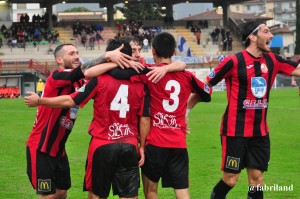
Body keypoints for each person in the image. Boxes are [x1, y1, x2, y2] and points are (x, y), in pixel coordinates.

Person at [25, 39, 150, 199]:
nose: (77, 56)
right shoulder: (57, 75)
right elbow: (85, 73)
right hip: (41, 147)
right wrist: (110, 57)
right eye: (72, 54)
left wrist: (118, 63)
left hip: (59, 149)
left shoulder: (82, 80)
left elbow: (89, 73)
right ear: (59, 60)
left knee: (61, 192)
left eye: (77, 52)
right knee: (47, 195)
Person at [188, 22, 300, 199]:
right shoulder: (233, 61)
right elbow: (205, 86)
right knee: (231, 179)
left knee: (257, 179)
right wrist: (186, 112)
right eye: (266, 31)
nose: (271, 35)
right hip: (235, 132)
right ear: (253, 37)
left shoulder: (273, 60)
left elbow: (297, 69)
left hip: (260, 133)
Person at [108, 32, 212, 199]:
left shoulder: (148, 73)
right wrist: (186, 111)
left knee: (151, 191)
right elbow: (206, 94)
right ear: (173, 52)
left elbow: (118, 75)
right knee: (182, 190)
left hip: (154, 142)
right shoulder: (187, 76)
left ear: (153, 51)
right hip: (178, 143)